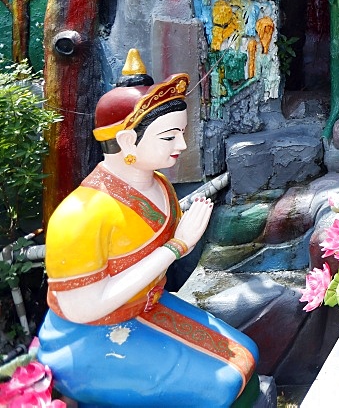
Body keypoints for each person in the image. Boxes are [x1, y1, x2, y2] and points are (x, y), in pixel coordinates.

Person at [37, 50, 258, 407]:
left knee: (245, 354)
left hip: (146, 307)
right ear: (127, 141)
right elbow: (83, 309)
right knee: (222, 382)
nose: (182, 145)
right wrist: (176, 247)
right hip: (86, 338)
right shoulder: (80, 215)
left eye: (181, 134)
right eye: (169, 137)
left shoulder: (159, 185)